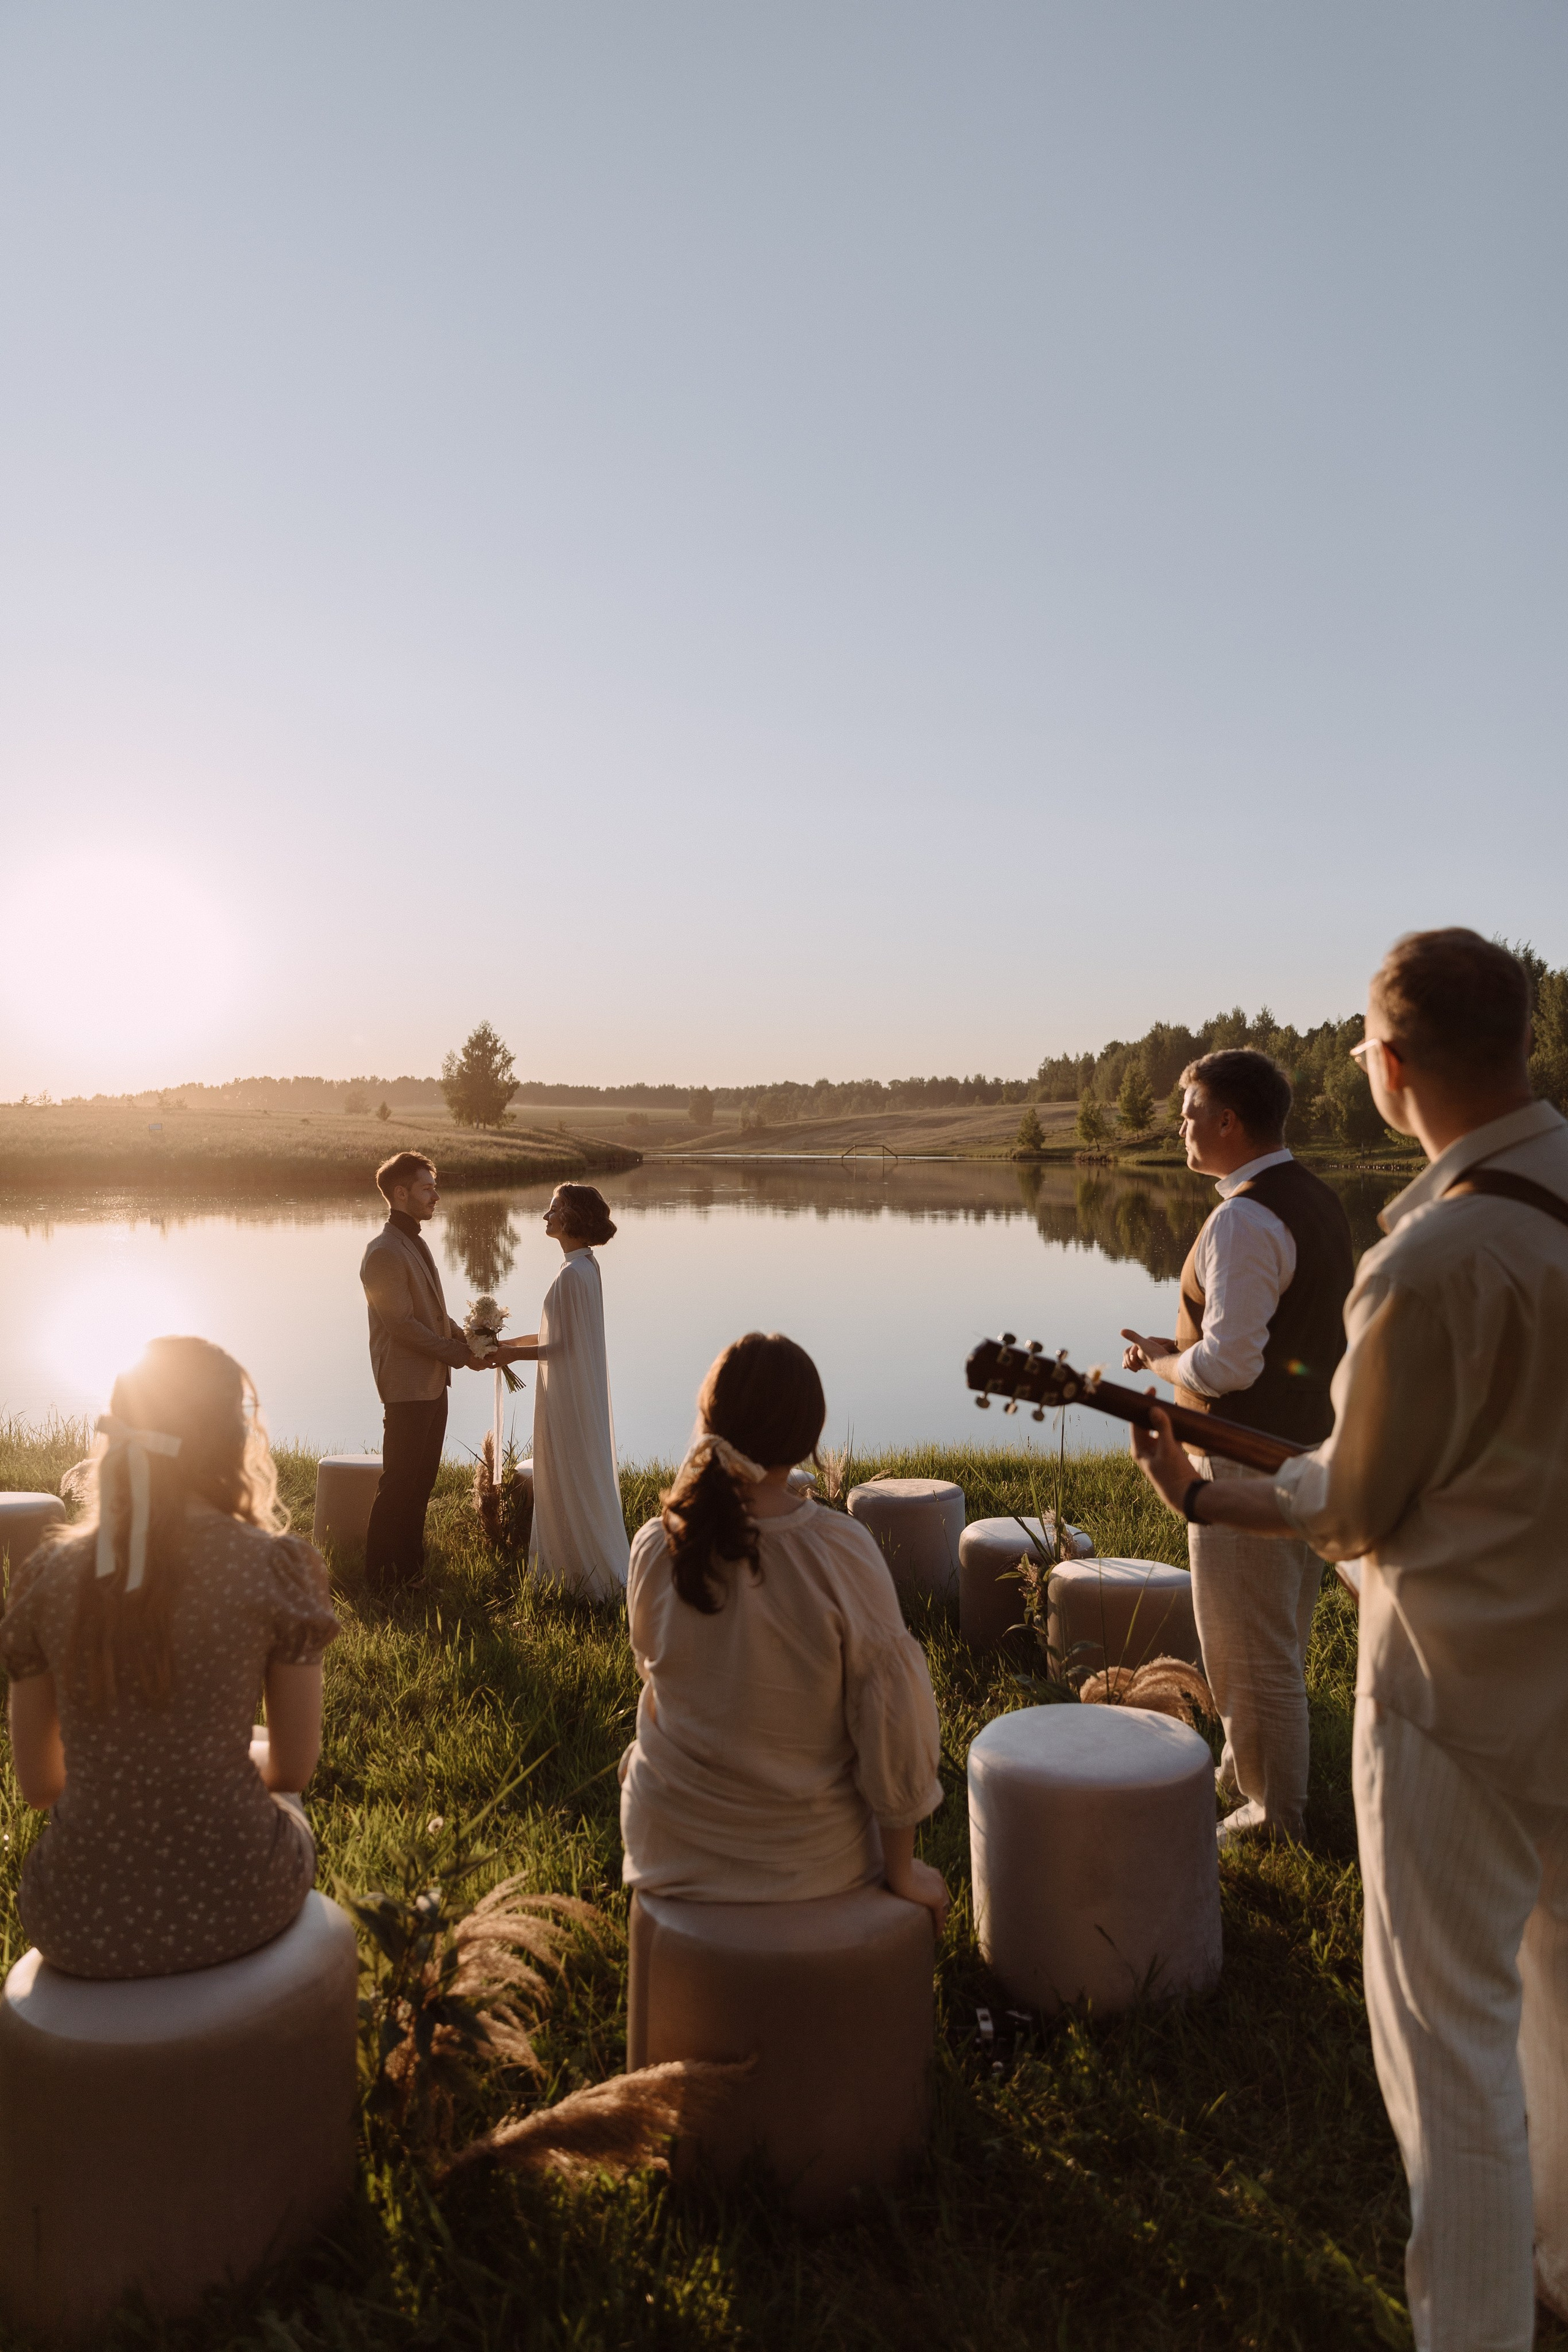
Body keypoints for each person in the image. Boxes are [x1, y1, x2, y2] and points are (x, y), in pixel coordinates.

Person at [1126, 930, 1568, 2350]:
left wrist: (1210, 1493)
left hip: (1457, 1700)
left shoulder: (1431, 1257)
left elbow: (1356, 1499)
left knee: (1453, 2056)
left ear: (1381, 1068)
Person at [0, 1336, 338, 1980]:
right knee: (267, 1759)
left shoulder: (46, 1577)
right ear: (232, 1439)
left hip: (75, 1918)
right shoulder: (273, 1566)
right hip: (243, 1901)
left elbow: (41, 1787)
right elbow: (295, 1764)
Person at [618, 1330, 949, 1928]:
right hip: (806, 1860)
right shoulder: (840, 1550)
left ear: (710, 1422)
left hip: (666, 1847)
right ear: (806, 1436)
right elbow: (895, 1718)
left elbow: (656, 1673)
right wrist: (903, 1870)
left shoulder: (655, 1544)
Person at [1118, 1047, 1354, 1844]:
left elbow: (1229, 1364)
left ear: (1228, 1120)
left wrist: (1160, 1361)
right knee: (1271, 1635)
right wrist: (1168, 1346)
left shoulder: (1243, 1218)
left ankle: (1272, 1816)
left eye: (1188, 1112)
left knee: (1252, 1650)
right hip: (1306, 1451)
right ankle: (1239, 1773)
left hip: (1242, 1457)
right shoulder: (1314, 1199)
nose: (1179, 1126)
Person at [360, 1151, 495, 1589]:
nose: (436, 1196)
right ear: (401, 1193)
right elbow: (400, 1325)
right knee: (400, 1483)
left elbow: (431, 1312)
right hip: (407, 1384)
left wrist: (467, 1337)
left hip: (432, 1382)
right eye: (427, 1188)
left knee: (421, 1484)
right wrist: (458, 1355)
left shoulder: (412, 1240)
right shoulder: (383, 1251)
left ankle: (410, 1573)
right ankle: (381, 1580)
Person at [497, 1183, 630, 1599]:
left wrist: (509, 1357)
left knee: (565, 1473)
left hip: (567, 1393)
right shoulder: (584, 1266)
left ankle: (580, 1578)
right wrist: (505, 1345)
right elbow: (558, 1332)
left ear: (572, 1217)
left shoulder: (574, 1274)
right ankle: (576, 1568)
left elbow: (561, 1345)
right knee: (568, 1473)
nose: (546, 1216)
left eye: (554, 1209)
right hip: (572, 1388)